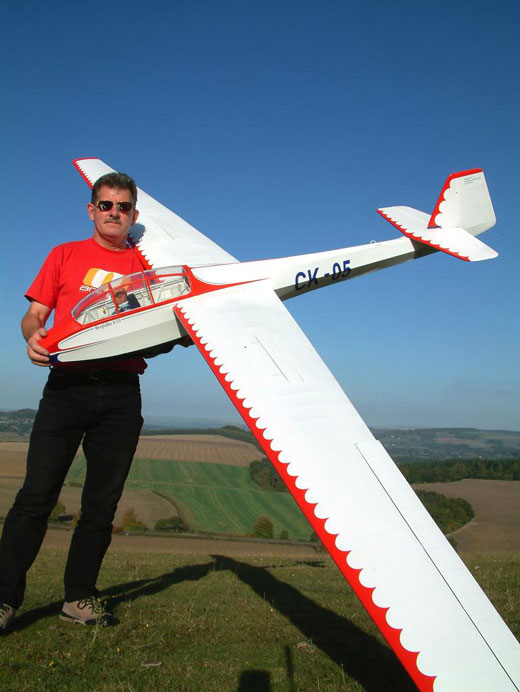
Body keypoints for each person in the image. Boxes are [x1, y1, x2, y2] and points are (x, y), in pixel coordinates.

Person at [0, 172, 147, 631]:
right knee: (35, 497)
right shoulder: (64, 254)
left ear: (134, 215)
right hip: (67, 387)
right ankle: (3, 599)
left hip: (122, 392)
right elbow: (34, 315)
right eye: (106, 205)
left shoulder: (147, 264)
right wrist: (33, 337)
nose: (114, 213)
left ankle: (78, 599)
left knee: (101, 505)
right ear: (91, 210)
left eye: (123, 207)